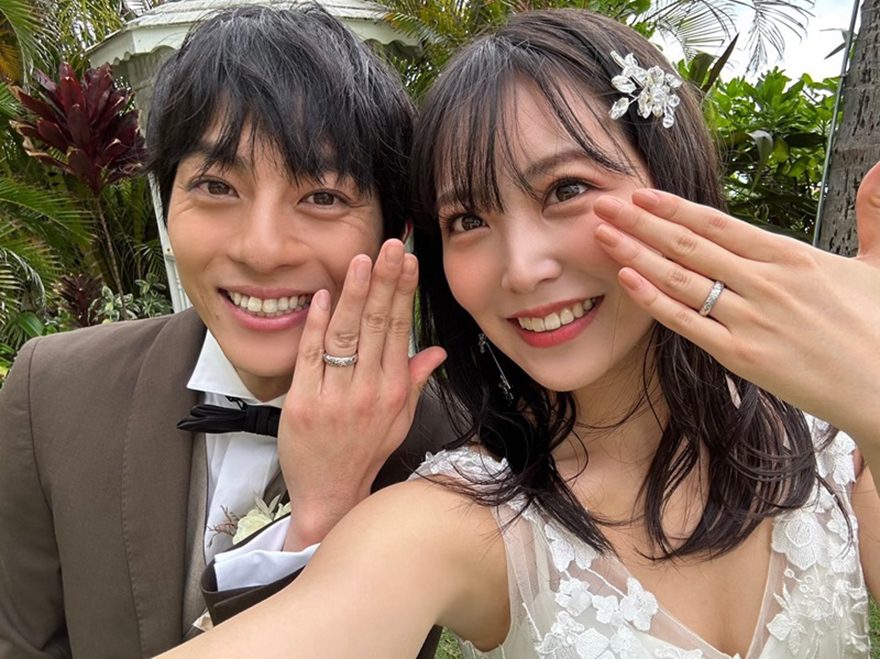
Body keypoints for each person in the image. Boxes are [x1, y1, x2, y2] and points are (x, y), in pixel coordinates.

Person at [160, 7, 880, 659]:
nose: (524, 268)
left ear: (672, 179)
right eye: (468, 219)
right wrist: (321, 511)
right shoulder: (464, 517)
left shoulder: (833, 444)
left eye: (567, 189)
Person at [0, 5, 452, 658]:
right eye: (216, 186)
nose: (262, 250)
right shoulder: (52, 393)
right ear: (167, 201)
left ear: (396, 230)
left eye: (323, 196)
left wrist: (323, 517)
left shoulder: (445, 443)